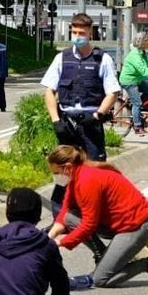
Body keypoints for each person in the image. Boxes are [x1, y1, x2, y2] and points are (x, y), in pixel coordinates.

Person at [46, 145, 148, 289]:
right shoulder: (76, 176)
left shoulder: (87, 180)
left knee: (100, 280)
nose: (55, 177)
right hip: (116, 224)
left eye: (56, 172)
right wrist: (50, 236)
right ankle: (104, 257)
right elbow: (66, 209)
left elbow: (89, 224)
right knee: (70, 217)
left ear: (67, 167)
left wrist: (60, 243)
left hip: (136, 227)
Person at [42, 13, 120, 210]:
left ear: (90, 33)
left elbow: (112, 93)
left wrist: (97, 115)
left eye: (81, 32)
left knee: (95, 172)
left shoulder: (102, 59)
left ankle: (94, 217)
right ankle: (59, 217)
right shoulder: (62, 58)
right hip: (67, 122)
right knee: (63, 174)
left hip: (90, 123)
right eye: (74, 32)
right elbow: (49, 91)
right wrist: (56, 121)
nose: (77, 36)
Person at [119, 33, 148, 135]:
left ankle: (137, 109)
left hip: (138, 80)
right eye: (146, 40)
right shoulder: (135, 55)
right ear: (141, 41)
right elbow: (143, 70)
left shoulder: (142, 53)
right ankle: (137, 126)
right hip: (129, 81)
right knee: (137, 103)